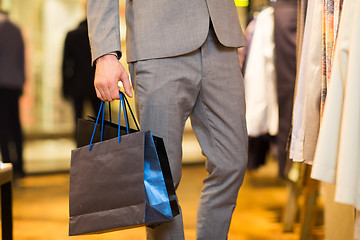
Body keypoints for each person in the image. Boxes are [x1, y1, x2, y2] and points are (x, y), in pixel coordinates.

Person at [87, 0, 248, 239]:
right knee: (160, 182)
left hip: (221, 38)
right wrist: (105, 53)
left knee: (232, 163)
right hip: (156, 42)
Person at [0, 10, 25, 178]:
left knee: (3, 126)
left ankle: (7, 163)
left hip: (1, 85)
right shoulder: (16, 30)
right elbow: (21, 59)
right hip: (15, 84)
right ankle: (20, 167)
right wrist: (21, 81)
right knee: (15, 125)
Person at [62, 19, 99, 124]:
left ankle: (79, 140)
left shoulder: (71, 35)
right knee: (100, 118)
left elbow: (65, 64)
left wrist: (65, 88)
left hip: (77, 83)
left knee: (78, 118)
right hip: (95, 82)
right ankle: (101, 140)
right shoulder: (96, 36)